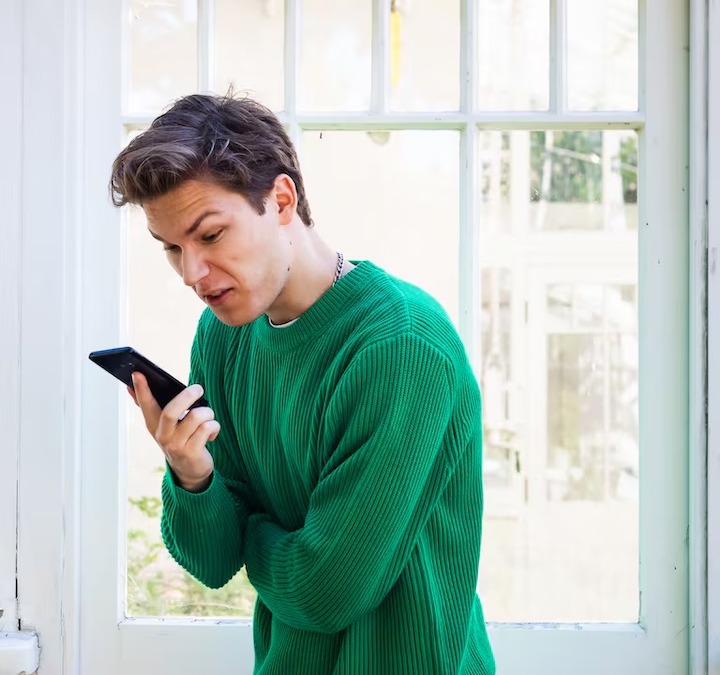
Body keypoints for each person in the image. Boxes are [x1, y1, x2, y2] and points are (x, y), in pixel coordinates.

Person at [108, 92, 496, 674]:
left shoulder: (402, 347)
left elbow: (326, 592)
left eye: (210, 236)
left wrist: (253, 533)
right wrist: (192, 473)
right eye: (172, 249)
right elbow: (212, 564)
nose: (191, 273)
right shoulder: (224, 336)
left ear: (281, 200)